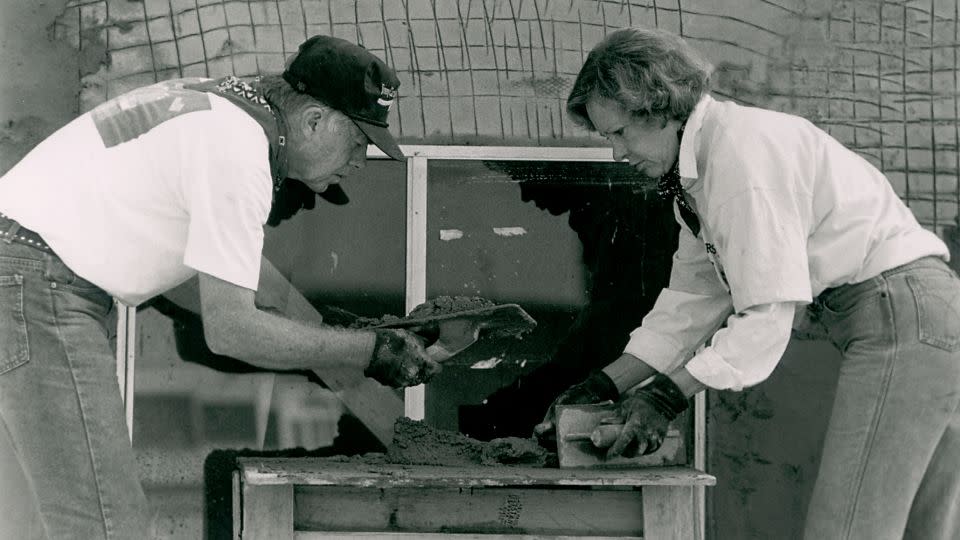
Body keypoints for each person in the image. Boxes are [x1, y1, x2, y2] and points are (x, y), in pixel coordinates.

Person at [0, 35, 441, 539]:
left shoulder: (225, 109)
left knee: (89, 520)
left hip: (29, 275)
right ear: (316, 121)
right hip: (38, 285)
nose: (360, 162)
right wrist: (370, 350)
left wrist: (329, 336)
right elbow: (231, 330)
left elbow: (209, 289)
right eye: (359, 142)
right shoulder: (239, 153)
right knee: (106, 526)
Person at [536, 26, 960, 539]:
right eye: (606, 138)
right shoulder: (698, 178)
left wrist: (665, 397)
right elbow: (690, 303)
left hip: (900, 316)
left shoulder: (741, 158)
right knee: (920, 528)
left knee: (847, 531)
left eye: (620, 132)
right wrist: (606, 383)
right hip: (921, 315)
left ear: (658, 108)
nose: (616, 152)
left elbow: (766, 317)